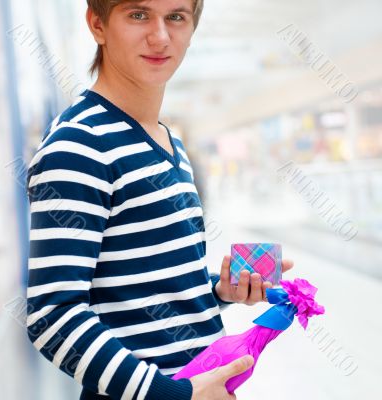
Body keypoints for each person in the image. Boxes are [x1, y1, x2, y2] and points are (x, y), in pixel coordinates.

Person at [25, 1, 294, 399]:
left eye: (176, 17)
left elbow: (144, 291)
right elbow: (53, 315)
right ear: (97, 25)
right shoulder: (80, 146)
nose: (160, 36)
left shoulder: (169, 142)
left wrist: (219, 292)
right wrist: (175, 395)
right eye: (138, 15)